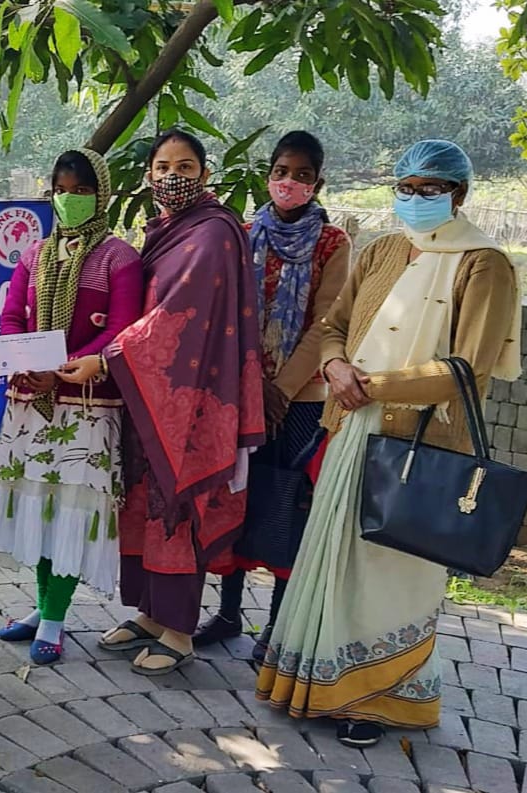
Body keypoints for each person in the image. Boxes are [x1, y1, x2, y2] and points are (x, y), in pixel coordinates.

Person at [256, 140, 521, 748]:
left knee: (390, 567)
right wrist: (336, 367)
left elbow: (469, 370)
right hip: (349, 427)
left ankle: (381, 701)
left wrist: (373, 383)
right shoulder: (380, 251)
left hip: (419, 443)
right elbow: (334, 329)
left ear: (458, 193)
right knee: (335, 560)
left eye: (430, 189)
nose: (415, 198)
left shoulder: (485, 263)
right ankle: (317, 685)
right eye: (405, 187)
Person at [60, 130, 265, 675]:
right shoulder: (165, 231)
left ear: (205, 172)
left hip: (193, 399)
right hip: (150, 390)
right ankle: (151, 614)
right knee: (143, 500)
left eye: (186, 165)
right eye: (163, 166)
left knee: (178, 505)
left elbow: (175, 316)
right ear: (149, 175)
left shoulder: (214, 233)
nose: (173, 176)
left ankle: (179, 631)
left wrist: (106, 360)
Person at [0, 148, 143, 665]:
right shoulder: (34, 254)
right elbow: (10, 317)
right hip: (31, 400)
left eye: (81, 190)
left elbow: (122, 329)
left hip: (87, 404)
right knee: (40, 504)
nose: (69, 199)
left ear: (102, 194)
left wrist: (77, 360)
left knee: (72, 508)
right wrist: (21, 358)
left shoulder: (120, 257)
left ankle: (54, 620)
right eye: (62, 189)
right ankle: (40, 607)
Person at [194, 131, 351, 662]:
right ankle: (228, 612)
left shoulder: (333, 244)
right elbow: (230, 313)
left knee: (286, 504)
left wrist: (281, 389)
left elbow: (326, 325)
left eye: (303, 175)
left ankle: (277, 627)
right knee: (239, 497)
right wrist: (251, 381)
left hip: (300, 399)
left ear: (318, 183)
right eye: (283, 171)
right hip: (241, 391)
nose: (290, 183)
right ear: (269, 175)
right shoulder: (243, 234)